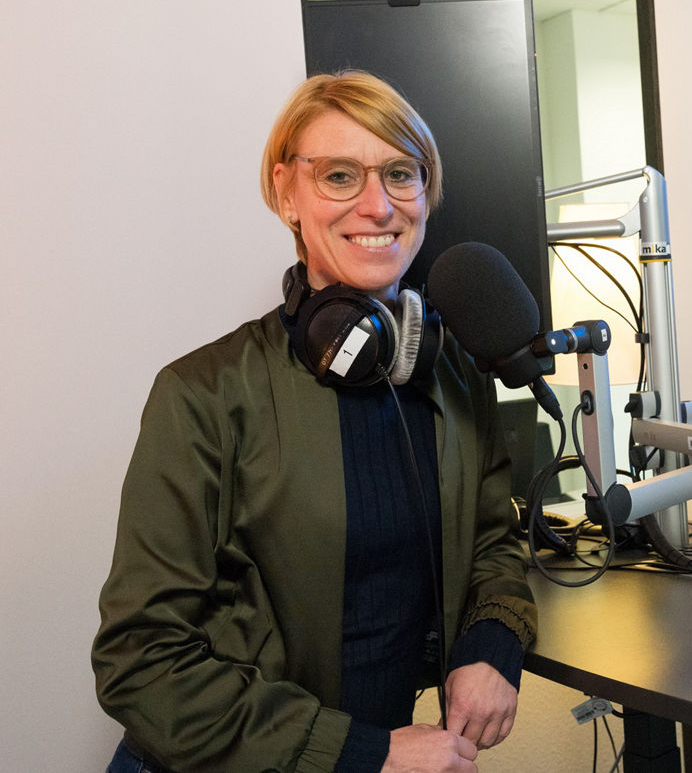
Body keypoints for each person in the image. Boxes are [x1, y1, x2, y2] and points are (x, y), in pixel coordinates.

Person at [93, 71, 537, 772]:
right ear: (286, 193)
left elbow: (493, 544)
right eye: (339, 175)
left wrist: (491, 647)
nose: (378, 203)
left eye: (401, 173)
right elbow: (141, 661)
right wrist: (368, 754)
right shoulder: (202, 394)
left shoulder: (451, 378)